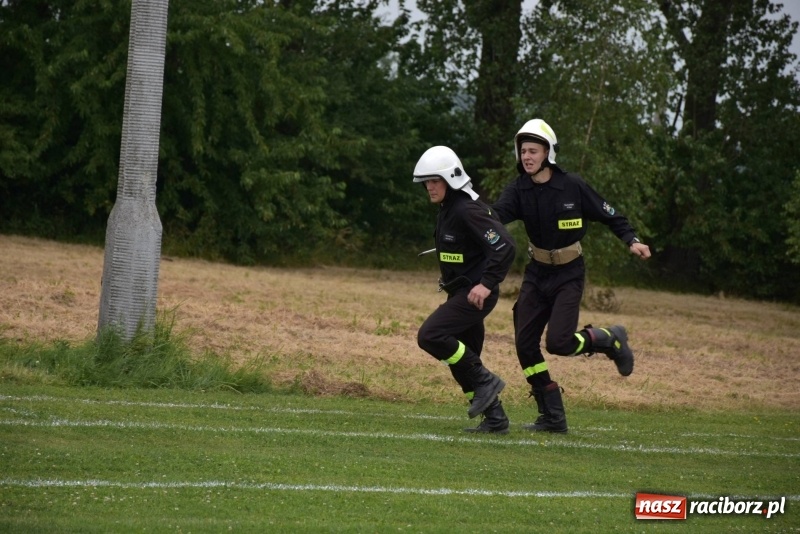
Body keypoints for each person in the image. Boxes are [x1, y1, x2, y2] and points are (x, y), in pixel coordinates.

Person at [492, 119, 652, 434]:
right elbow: (493, 217)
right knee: (525, 345)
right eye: (523, 151)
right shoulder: (518, 189)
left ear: (548, 153)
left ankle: (606, 339)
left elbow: (610, 214)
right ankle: (552, 416)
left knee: (558, 343)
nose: (527, 157)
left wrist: (632, 240)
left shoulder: (573, 186)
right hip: (536, 274)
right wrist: (465, 220)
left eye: (533, 151)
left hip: (568, 274)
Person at [414, 145, 516, 434]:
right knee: (460, 357)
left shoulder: (466, 209)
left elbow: (505, 245)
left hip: (475, 293)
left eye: (434, 181)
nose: (429, 188)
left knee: (431, 336)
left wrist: (486, 284)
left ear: (451, 179)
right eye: (426, 183)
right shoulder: (448, 210)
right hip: (459, 291)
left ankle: (486, 380)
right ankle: (495, 419)